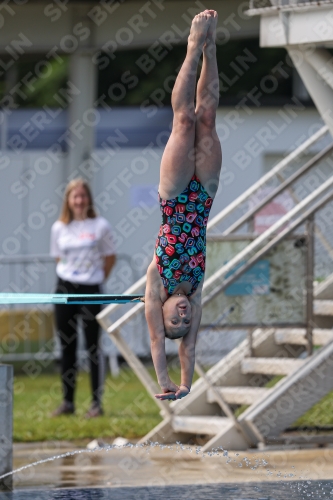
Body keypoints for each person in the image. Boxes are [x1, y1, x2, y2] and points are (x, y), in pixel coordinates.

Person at [145, 11, 222, 402]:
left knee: (184, 122)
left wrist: (165, 382)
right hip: (204, 198)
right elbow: (187, 347)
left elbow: (161, 344)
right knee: (206, 119)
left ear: (162, 314)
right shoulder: (196, 290)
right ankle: (211, 49)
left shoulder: (156, 284)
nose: (183, 316)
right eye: (184, 320)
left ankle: (192, 47)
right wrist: (187, 384)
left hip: (175, 198)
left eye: (175, 319)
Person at [50, 178, 116, 418]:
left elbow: (110, 257)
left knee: (92, 347)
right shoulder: (59, 227)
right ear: (68, 200)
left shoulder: (100, 225)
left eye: (82, 196)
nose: (79, 201)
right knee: (67, 346)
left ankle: (96, 404)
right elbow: (58, 257)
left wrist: (95, 277)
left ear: (88, 199)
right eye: (74, 196)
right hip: (64, 288)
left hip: (91, 288)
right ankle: (68, 402)